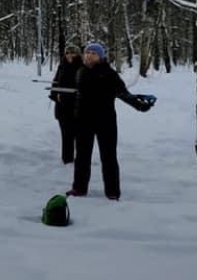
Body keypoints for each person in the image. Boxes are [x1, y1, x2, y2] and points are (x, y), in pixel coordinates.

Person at [67, 41, 153, 200]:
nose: (89, 56)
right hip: (83, 121)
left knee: (108, 157)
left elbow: (123, 93)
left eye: (93, 53)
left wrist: (139, 105)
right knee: (81, 157)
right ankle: (79, 188)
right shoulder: (81, 72)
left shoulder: (109, 74)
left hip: (105, 121)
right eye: (87, 52)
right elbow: (76, 96)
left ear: (100, 56)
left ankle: (112, 191)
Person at [50, 44, 82, 164]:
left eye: (72, 53)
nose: (69, 55)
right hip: (62, 109)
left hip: (78, 108)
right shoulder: (62, 66)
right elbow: (55, 84)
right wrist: (55, 95)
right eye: (67, 53)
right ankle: (67, 160)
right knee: (66, 135)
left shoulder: (83, 67)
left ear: (77, 54)